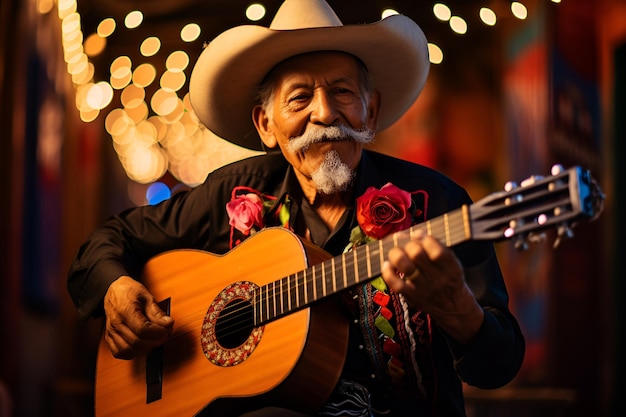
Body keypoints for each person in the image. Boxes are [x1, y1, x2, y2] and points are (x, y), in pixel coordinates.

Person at [67, 0, 525, 416]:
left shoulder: (439, 205)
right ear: (266, 124)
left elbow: (499, 365)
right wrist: (115, 287)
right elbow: (106, 243)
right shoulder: (233, 194)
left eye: (343, 92)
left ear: (371, 110)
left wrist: (459, 311)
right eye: (300, 97)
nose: (324, 113)